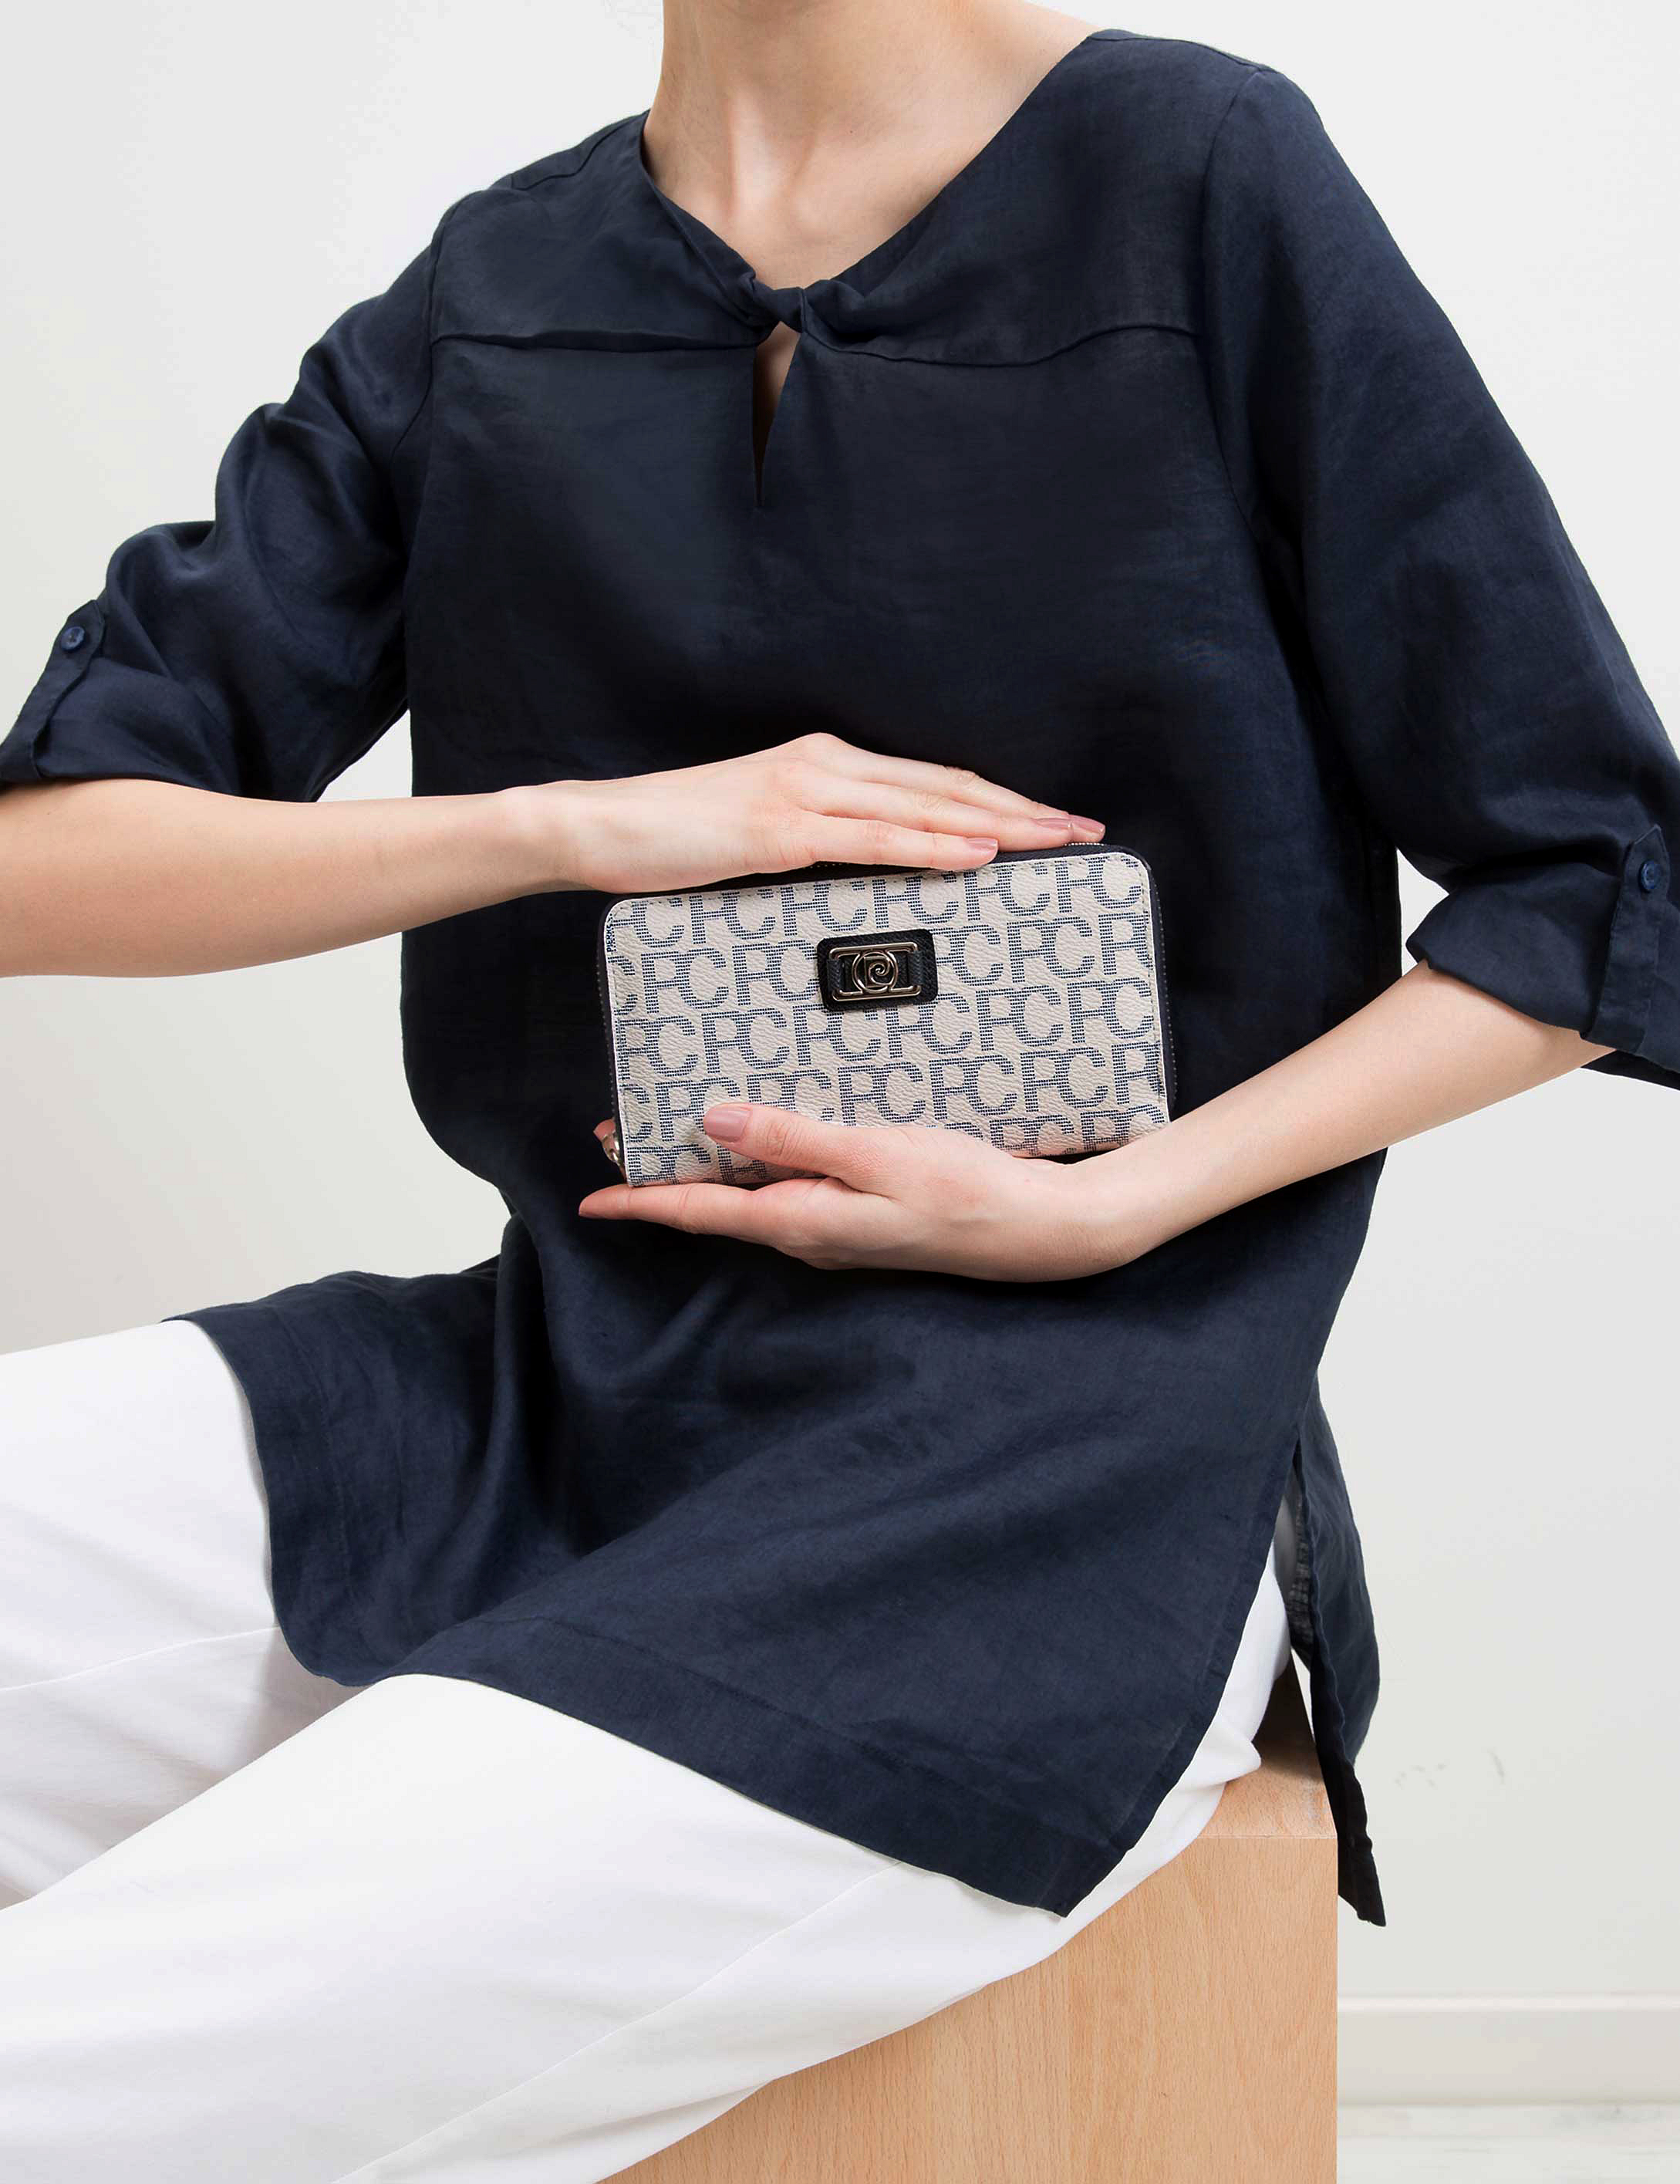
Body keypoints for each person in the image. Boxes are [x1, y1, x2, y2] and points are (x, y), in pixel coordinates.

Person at [2, 4, 1675, 2175]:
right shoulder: (501, 281)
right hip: (547, 1392)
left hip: (1053, 1487)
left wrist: (1113, 1203)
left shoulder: (1196, 175)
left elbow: (1595, 883)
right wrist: (576, 828)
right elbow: (43, 864)